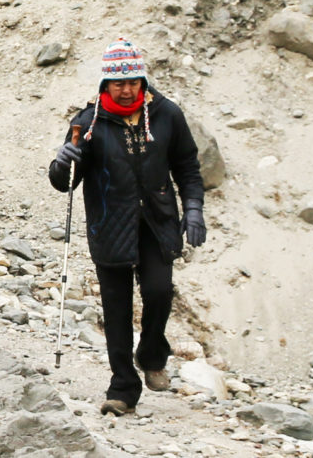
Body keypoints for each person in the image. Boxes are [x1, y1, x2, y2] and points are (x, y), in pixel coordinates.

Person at [48, 38, 206, 416]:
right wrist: (62, 160)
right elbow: (64, 183)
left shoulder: (167, 114)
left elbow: (187, 166)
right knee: (116, 311)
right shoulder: (87, 123)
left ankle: (152, 354)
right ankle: (122, 390)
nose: (126, 88)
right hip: (109, 226)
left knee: (159, 291)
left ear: (142, 80)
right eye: (118, 82)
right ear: (105, 84)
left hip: (157, 222)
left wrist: (194, 209)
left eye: (133, 80)